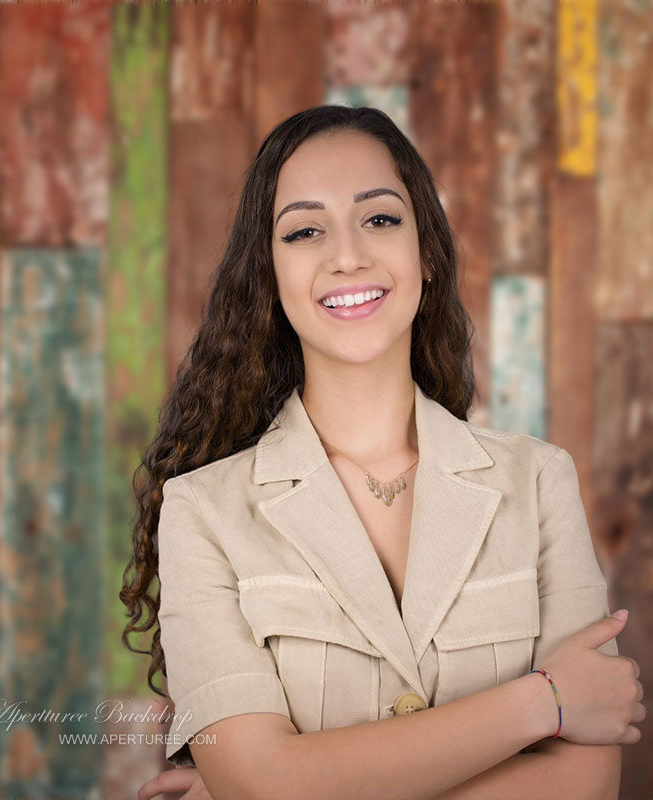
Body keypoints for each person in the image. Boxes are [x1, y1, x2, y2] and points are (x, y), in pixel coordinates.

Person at [122, 105, 645, 800]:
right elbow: (261, 784)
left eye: (380, 219)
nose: (348, 255)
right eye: (305, 231)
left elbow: (586, 785)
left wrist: (292, 784)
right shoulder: (201, 512)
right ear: (270, 278)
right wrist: (543, 703)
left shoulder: (540, 482)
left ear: (425, 252)